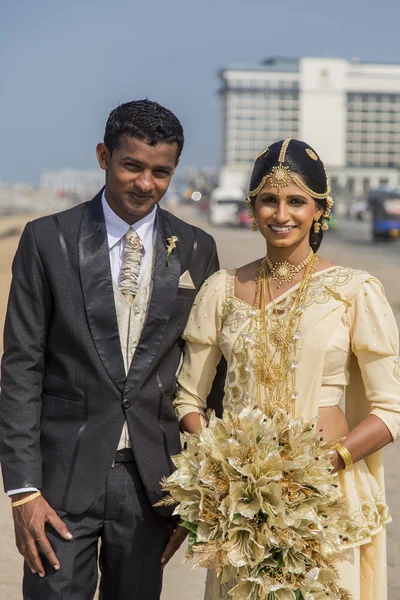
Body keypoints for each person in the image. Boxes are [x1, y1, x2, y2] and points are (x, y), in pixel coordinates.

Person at [0, 99, 224, 600]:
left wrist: (202, 492)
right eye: (132, 166)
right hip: (60, 481)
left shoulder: (195, 249)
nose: (146, 183)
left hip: (152, 484)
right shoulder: (47, 240)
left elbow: (211, 374)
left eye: (161, 172)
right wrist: (22, 492)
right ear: (104, 156)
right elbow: (20, 368)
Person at [174, 139, 400, 600]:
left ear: (321, 209)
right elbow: (188, 399)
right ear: (252, 208)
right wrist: (221, 471)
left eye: (297, 201)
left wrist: (323, 463)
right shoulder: (222, 289)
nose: (282, 214)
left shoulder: (353, 292)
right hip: (239, 508)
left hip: (326, 500)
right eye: (269, 200)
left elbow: (390, 409)